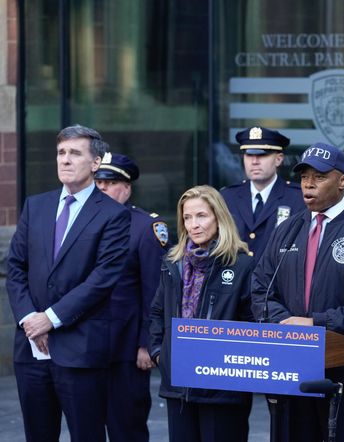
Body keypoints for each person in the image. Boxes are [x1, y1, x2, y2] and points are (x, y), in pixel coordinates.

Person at [252, 142, 344, 442]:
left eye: (319, 176)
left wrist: (316, 324)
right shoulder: (287, 229)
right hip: (292, 373)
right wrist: (286, 324)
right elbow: (260, 290)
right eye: (304, 176)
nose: (308, 183)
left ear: (343, 181)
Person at [6, 124, 131, 442]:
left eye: (75, 153)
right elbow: (16, 268)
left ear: (95, 163)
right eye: (61, 152)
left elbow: (102, 280)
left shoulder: (113, 215)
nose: (65, 159)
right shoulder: (36, 206)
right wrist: (29, 320)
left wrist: (50, 319)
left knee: (86, 435)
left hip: (80, 350)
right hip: (32, 348)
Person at [149, 185, 254, 442]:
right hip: (179, 384)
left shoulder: (242, 265)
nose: (193, 224)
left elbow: (252, 323)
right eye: (187, 217)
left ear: (219, 218)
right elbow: (157, 312)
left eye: (201, 216)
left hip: (223, 388)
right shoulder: (173, 264)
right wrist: (160, 355)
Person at [94, 152, 169, 442]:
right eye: (98, 181)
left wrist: (146, 345)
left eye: (109, 182)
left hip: (127, 348)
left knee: (126, 425)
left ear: (126, 187)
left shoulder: (146, 228)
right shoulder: (83, 223)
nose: (101, 188)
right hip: (88, 344)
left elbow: (154, 291)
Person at [221, 126, 305, 260]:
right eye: (249, 155)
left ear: (279, 159)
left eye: (262, 155)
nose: (254, 162)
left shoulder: (298, 198)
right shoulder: (227, 197)